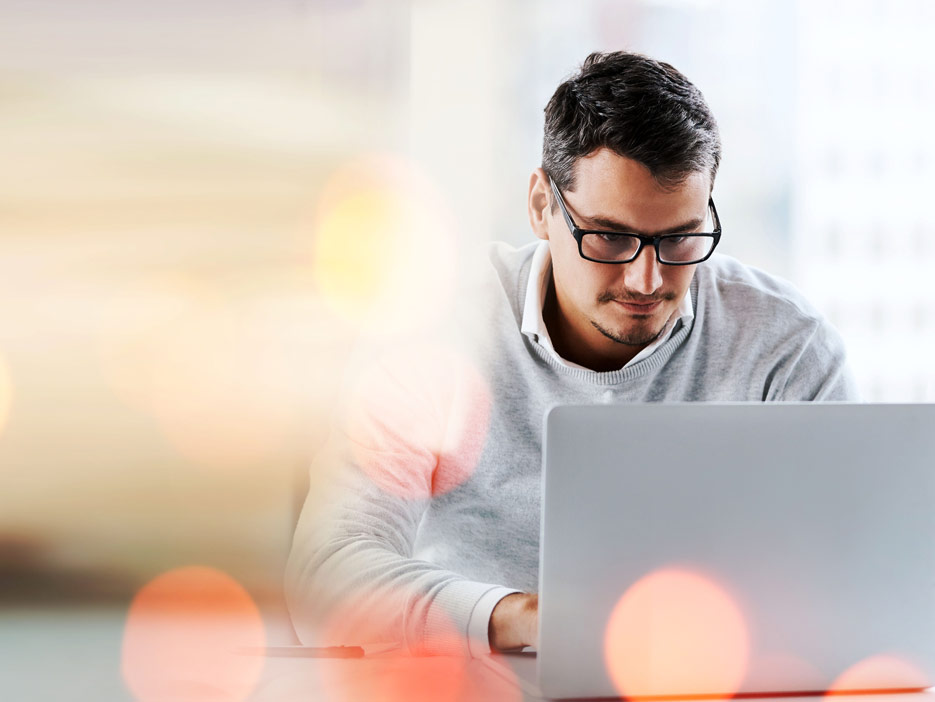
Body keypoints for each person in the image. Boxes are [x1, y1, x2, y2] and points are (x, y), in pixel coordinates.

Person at [285, 51, 859, 658]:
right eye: (610, 237)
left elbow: (850, 579)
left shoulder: (786, 349)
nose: (647, 280)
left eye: (680, 238)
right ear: (541, 206)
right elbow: (327, 572)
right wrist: (525, 620)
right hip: (473, 678)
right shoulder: (436, 326)